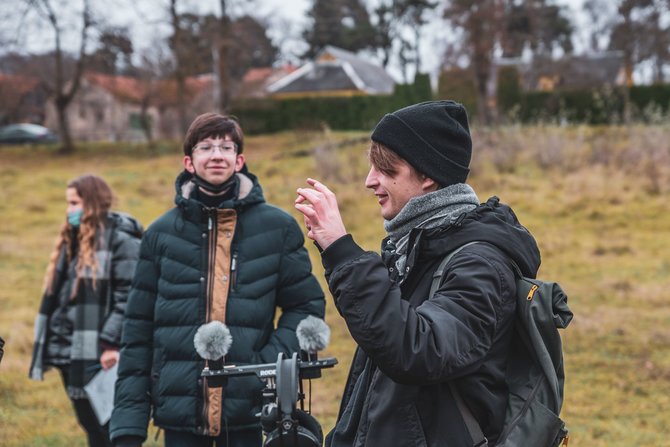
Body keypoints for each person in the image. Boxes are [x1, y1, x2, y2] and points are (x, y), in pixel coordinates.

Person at [295, 100, 542, 446]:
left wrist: (341, 250)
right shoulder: (417, 245)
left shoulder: (482, 263)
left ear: (428, 175)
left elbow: (419, 350)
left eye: (386, 169)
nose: (370, 181)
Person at [110, 113, 326, 447]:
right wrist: (127, 425)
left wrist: (262, 367)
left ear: (239, 160)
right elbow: (137, 331)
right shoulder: (159, 234)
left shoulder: (278, 228)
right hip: (178, 412)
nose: (216, 154)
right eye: (206, 146)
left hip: (251, 415)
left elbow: (306, 306)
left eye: (226, 147)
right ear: (189, 161)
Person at [29, 174, 143, 447]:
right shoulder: (75, 239)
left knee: (108, 427)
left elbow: (130, 296)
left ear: (92, 203)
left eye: (74, 203)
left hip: (100, 354)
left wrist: (111, 343)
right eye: (68, 204)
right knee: (90, 425)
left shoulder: (122, 241)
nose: (69, 211)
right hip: (70, 350)